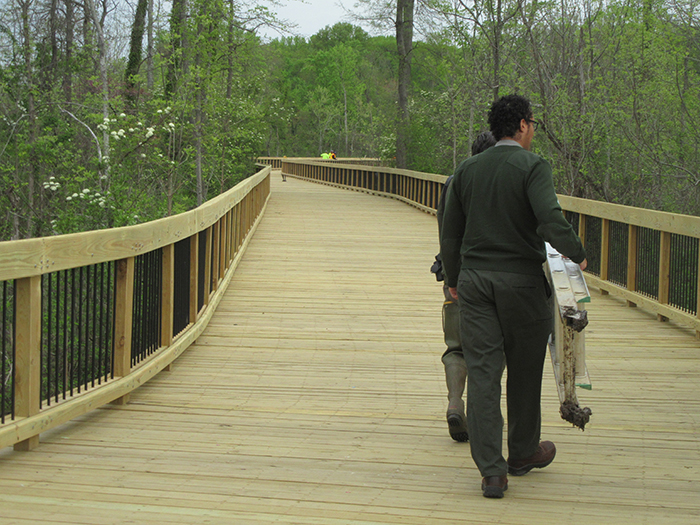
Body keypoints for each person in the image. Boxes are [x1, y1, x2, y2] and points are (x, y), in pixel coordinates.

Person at [440, 94, 587, 499]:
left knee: (484, 373)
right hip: (521, 284)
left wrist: (454, 276)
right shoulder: (532, 166)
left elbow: (450, 230)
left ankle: (492, 472)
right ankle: (522, 452)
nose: (533, 130)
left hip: (474, 283)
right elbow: (549, 218)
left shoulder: (467, 169)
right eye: (533, 123)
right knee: (524, 370)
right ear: (522, 125)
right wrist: (577, 251)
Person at [433, 131, 496, 443]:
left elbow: (445, 230)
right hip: (493, 279)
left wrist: (451, 276)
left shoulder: (454, 180)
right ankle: (490, 420)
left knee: (456, 346)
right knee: (492, 349)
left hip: (456, 276)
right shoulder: (505, 181)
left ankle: (455, 402)